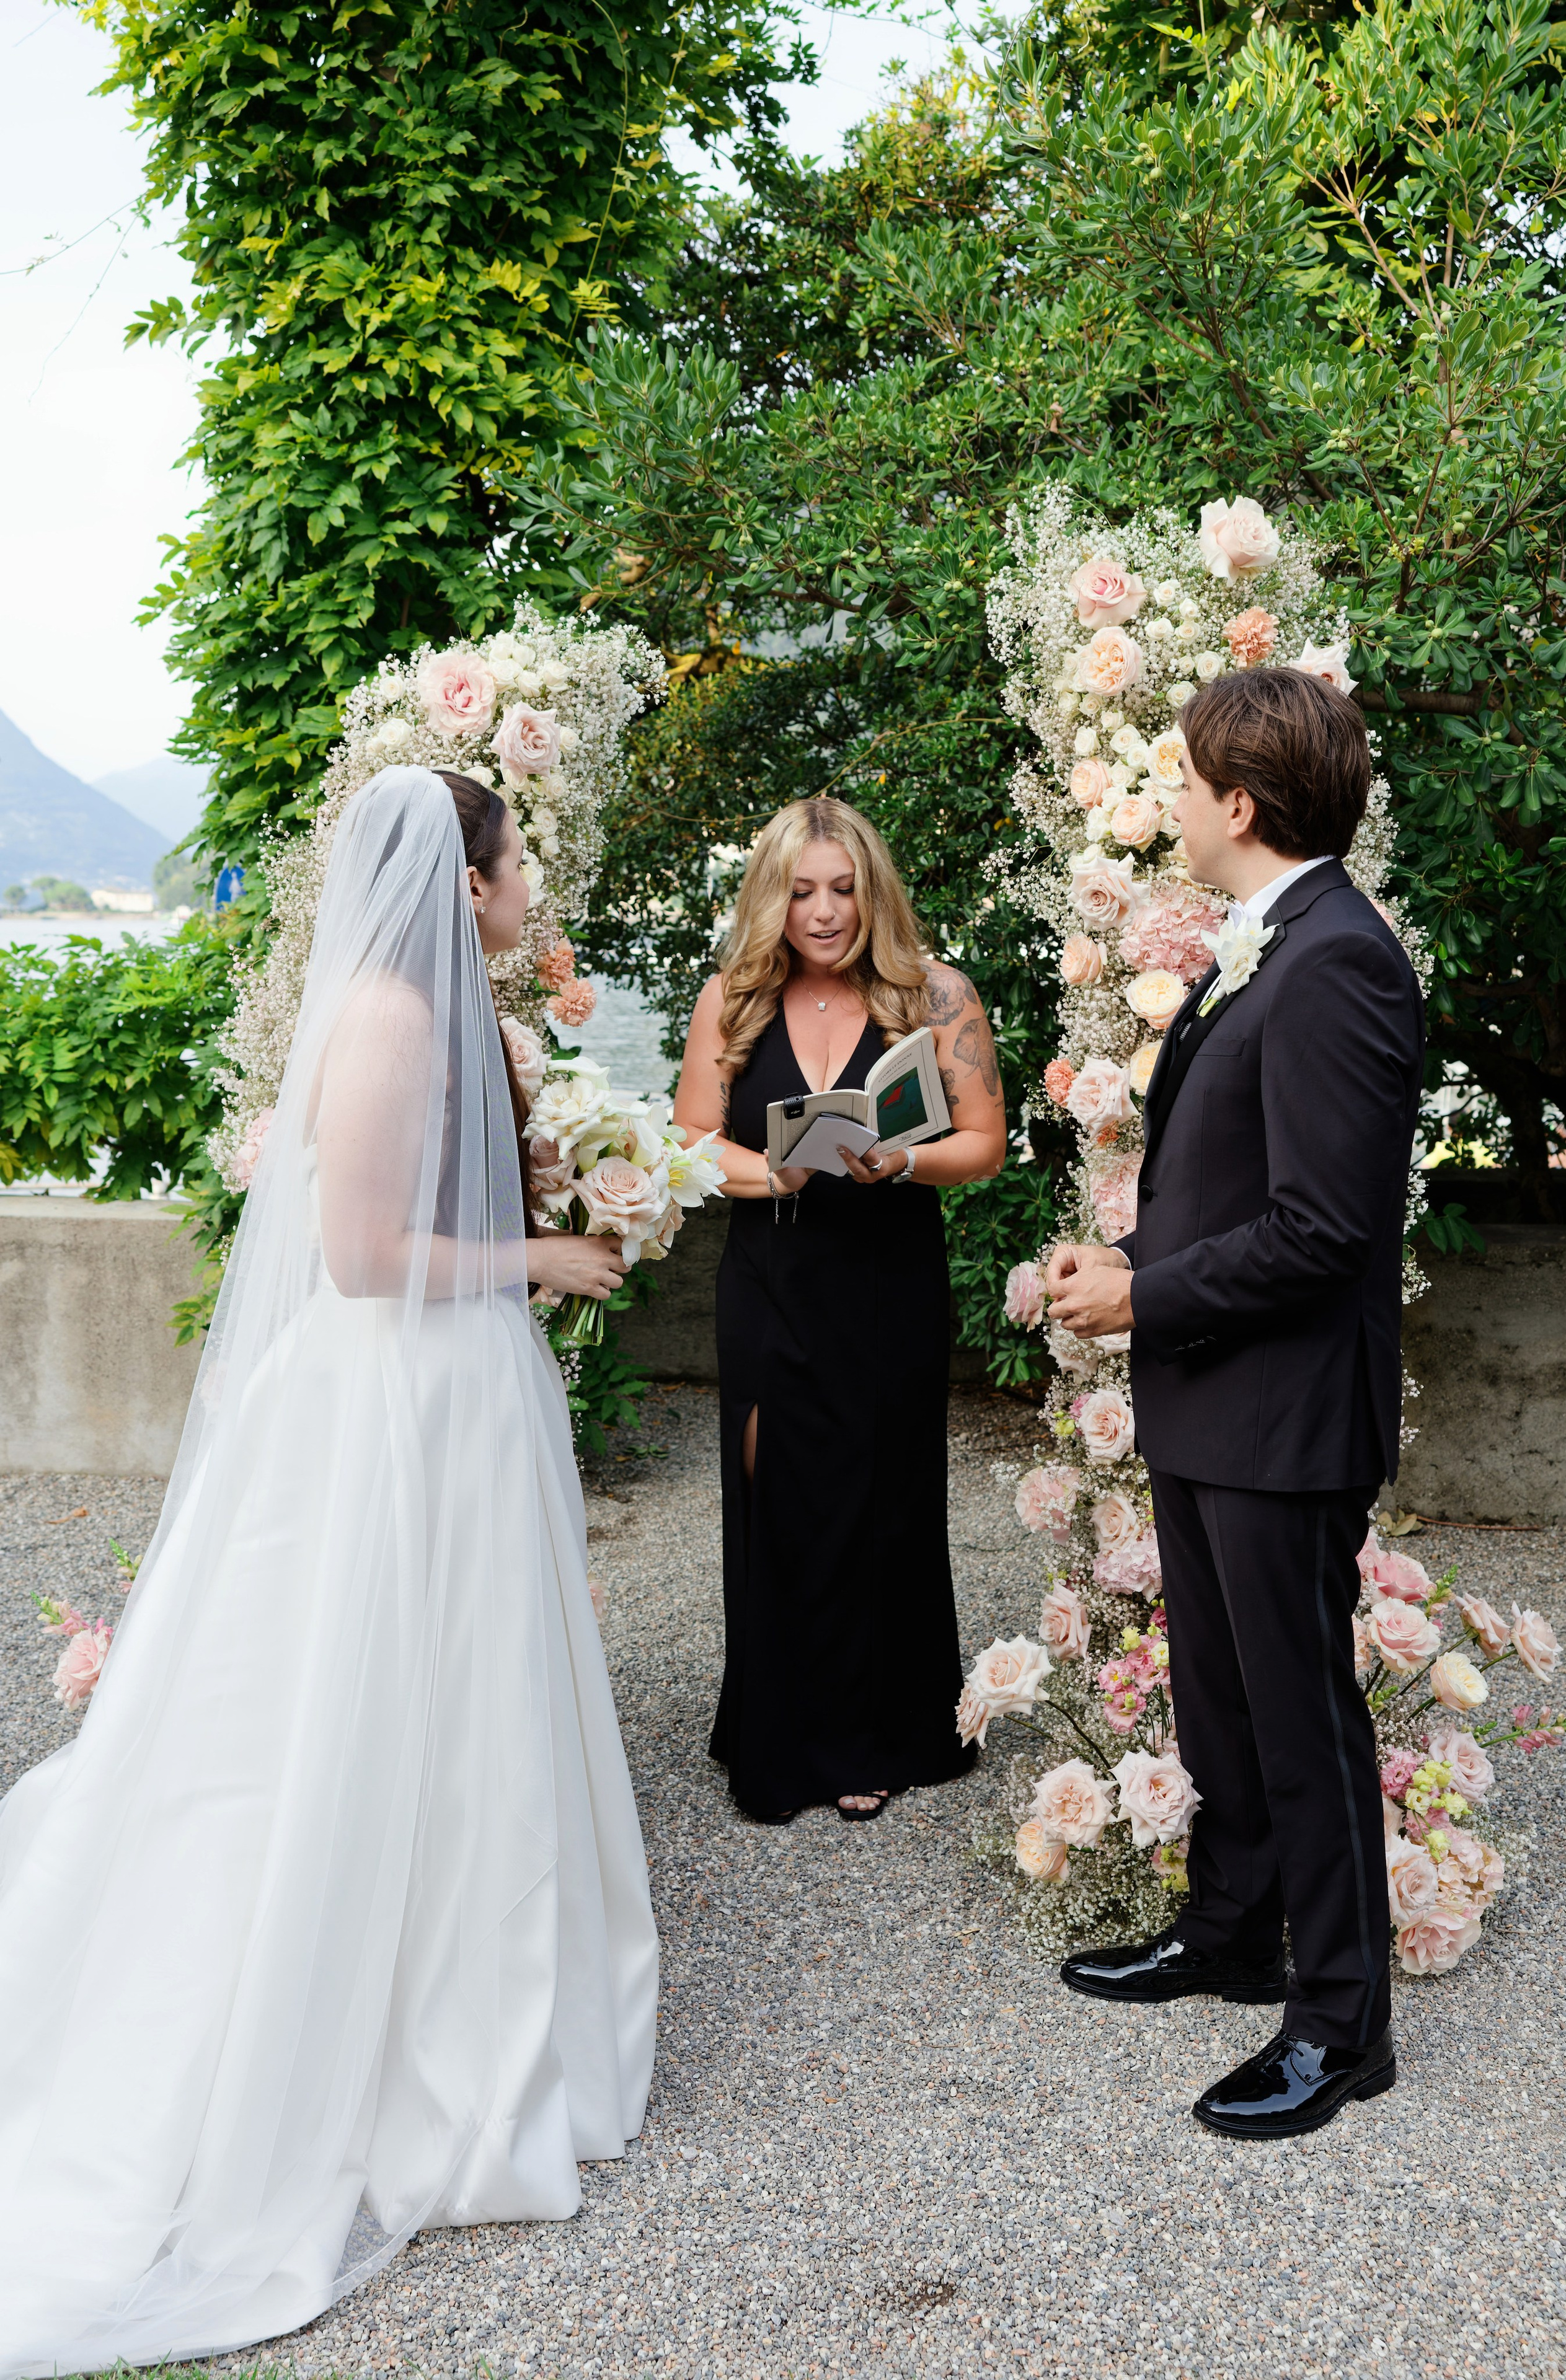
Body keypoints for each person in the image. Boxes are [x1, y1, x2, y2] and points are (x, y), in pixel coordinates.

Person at [0, 767, 658, 2373]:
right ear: (466, 878)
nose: (527, 891)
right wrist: (543, 1253)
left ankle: (462, 1985)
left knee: (465, 1699)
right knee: (352, 1705)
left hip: (455, 1392)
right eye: (518, 865)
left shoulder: (445, 1017)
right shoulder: (385, 1020)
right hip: (393, 1407)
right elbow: (368, 1258)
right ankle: (368, 2028)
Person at [1045, 668, 1423, 2140]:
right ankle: (1227, 1933)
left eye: (1187, 783)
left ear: (1241, 805)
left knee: (1296, 1714)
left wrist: (1143, 1298)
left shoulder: (1334, 959)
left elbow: (1324, 1231)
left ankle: (1339, 2024)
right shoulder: (1259, 946)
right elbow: (1229, 1189)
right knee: (1216, 1695)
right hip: (1211, 1398)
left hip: (1280, 1416)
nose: (1174, 805)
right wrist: (1129, 1260)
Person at [673, 796, 1006, 1823]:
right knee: (775, 1494)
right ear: (773, 897)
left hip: (886, 1280)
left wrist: (901, 1158)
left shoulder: (936, 994)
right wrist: (770, 1176)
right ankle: (776, 1723)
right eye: (802, 891)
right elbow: (690, 1139)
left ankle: (875, 1731)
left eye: (844, 889)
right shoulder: (731, 997)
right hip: (770, 1282)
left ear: (876, 891)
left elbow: (984, 1142)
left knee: (881, 1501)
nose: (824, 913)